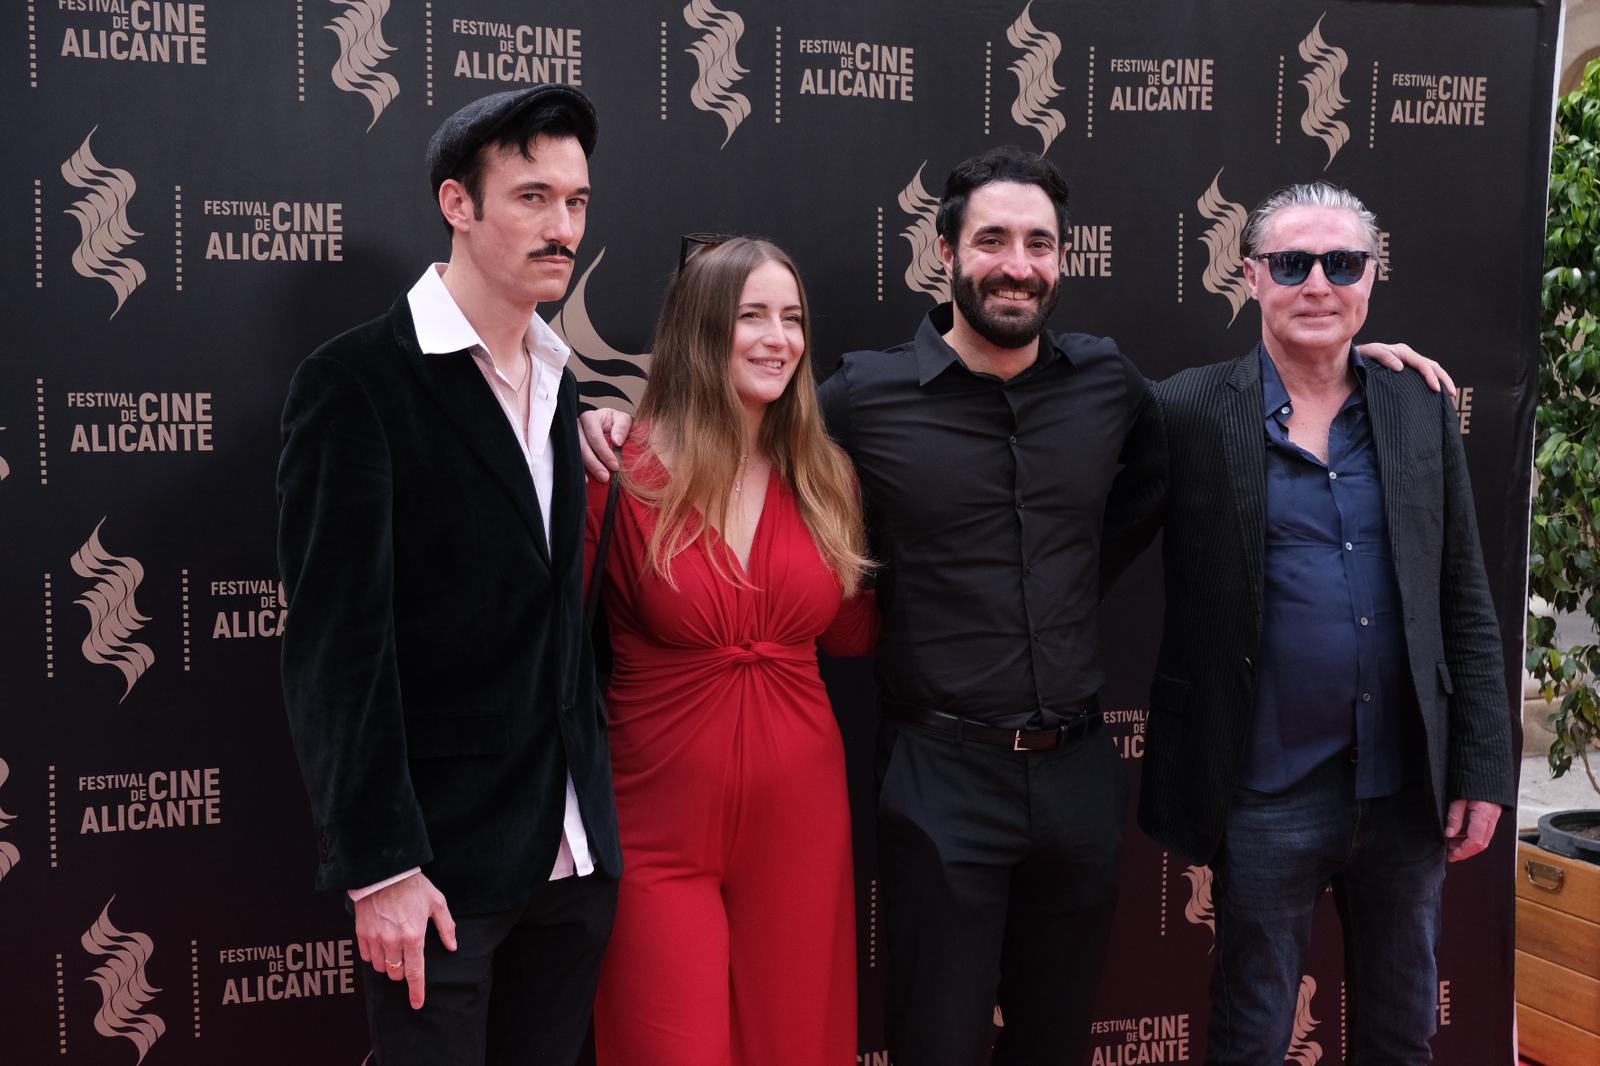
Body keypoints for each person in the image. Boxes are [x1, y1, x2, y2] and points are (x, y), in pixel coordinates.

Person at [579, 149, 1448, 1065]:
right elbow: (740, 431)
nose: (1018, 262)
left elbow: (1224, 417)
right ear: (946, 251)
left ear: (1063, 261)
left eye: (1040, 243)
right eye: (992, 239)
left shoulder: (1108, 384)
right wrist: (621, 424)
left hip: (1076, 778)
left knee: (1054, 1042)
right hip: (934, 777)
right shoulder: (860, 399)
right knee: (935, 1042)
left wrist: (1346, 364)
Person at [1130, 182, 1513, 1064]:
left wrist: (1484, 768)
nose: (1317, 283)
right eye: (1293, 262)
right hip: (1263, 791)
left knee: (1401, 1031)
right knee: (1253, 1036)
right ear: (1252, 274)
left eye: (1341, 264)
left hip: (1404, 790)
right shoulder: (1188, 410)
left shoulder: (1418, 406)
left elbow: (1465, 597)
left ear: (1370, 280)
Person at [276, 85, 620, 1066]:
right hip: (439, 877)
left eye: (578, 202)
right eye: (531, 198)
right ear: (456, 204)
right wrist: (380, 866)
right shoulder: (355, 385)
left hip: (573, 860)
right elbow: (337, 654)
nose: (563, 229)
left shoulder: (559, 384)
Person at [584, 236, 877, 1066]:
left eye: (792, 319)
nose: (777, 338)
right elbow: (548, 648)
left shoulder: (828, 478)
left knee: (796, 1046)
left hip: (802, 823)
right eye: (751, 315)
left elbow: (856, 633)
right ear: (698, 331)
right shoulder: (618, 470)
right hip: (655, 833)